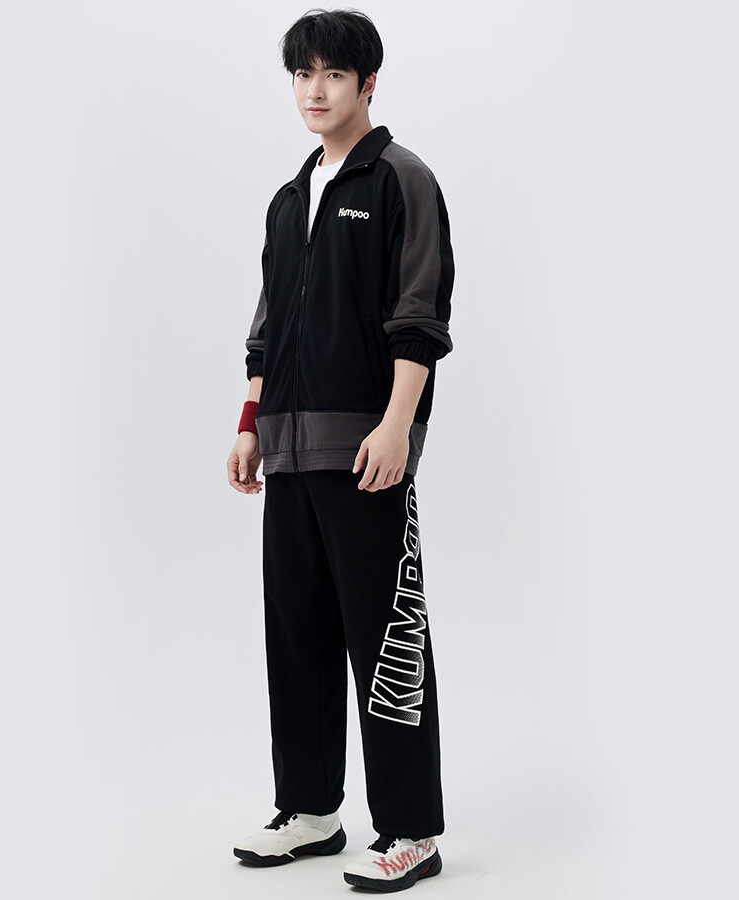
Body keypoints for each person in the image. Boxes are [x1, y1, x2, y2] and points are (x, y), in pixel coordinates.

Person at [226, 7, 454, 892]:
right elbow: (267, 327)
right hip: (288, 450)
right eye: (302, 74)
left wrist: (398, 425)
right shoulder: (290, 199)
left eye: (332, 74)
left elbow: (419, 314)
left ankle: (411, 829)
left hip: (366, 449)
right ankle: (310, 810)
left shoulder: (402, 179)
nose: (314, 90)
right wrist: (251, 423)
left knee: (386, 635)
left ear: (368, 84)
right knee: (297, 635)